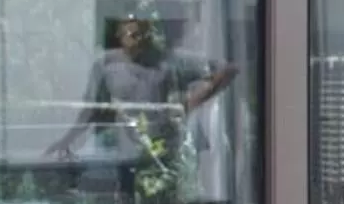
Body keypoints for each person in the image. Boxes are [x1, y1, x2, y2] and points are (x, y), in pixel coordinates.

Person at [46, 10, 235, 165]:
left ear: (147, 35)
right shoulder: (106, 65)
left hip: (168, 150)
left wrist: (190, 103)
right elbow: (91, 109)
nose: (134, 40)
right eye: (128, 34)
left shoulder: (167, 59)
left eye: (139, 34)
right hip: (126, 152)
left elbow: (227, 69)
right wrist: (67, 140)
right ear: (120, 36)